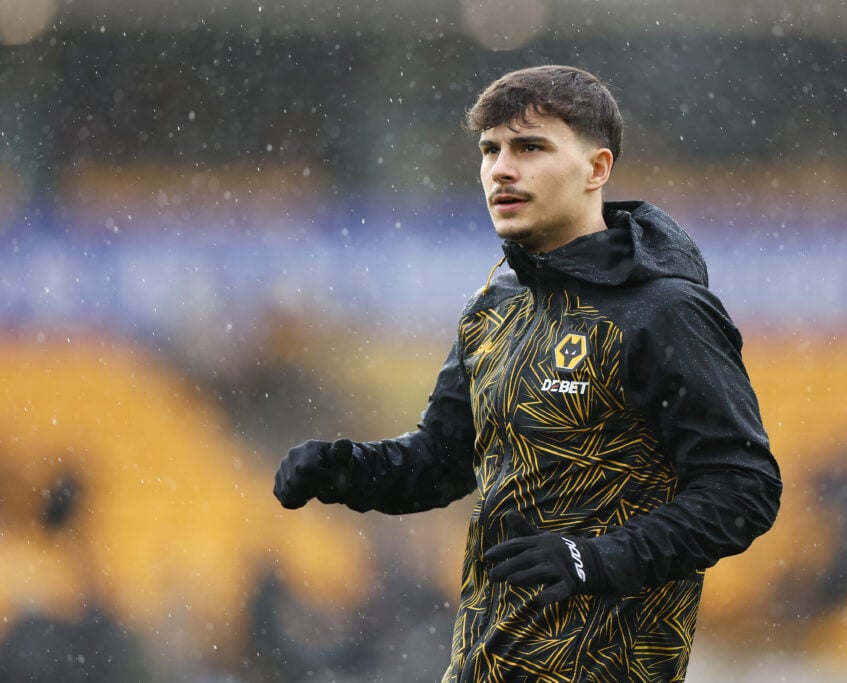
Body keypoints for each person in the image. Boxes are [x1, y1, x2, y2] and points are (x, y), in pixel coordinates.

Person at [274, 64, 782, 682]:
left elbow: (744, 488)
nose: (501, 169)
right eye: (490, 150)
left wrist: (596, 560)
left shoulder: (665, 312)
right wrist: (344, 468)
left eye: (530, 147)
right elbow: (442, 461)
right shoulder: (495, 303)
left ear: (597, 169)